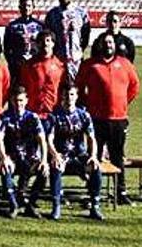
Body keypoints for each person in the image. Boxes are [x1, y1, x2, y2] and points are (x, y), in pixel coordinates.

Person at [76, 33, 140, 205]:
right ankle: (92, 192)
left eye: (110, 42)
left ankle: (121, 192)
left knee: (117, 156)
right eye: (105, 42)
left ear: (115, 45)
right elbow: (79, 86)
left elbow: (135, 86)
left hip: (118, 119)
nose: (108, 45)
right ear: (99, 45)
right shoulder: (90, 65)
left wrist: (123, 102)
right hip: (96, 119)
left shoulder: (125, 64)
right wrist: (87, 103)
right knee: (94, 156)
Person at [44, 85, 104, 221]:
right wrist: (54, 154)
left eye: (71, 95)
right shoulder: (54, 116)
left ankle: (95, 205)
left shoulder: (83, 115)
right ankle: (56, 205)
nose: (68, 98)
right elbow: (49, 139)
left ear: (76, 97)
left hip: (79, 154)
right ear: (61, 97)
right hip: (62, 153)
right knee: (56, 166)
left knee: (95, 167)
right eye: (65, 95)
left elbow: (91, 138)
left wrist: (93, 156)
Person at [0, 86, 49, 219]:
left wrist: (44, 160)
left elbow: (42, 140)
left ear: (26, 101)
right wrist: (3, 157)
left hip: (30, 157)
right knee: (5, 169)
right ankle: (14, 205)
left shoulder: (33, 117)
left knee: (44, 171)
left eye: (21, 100)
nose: (18, 104)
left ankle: (30, 204)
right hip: (12, 157)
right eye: (15, 100)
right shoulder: (4, 117)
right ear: (11, 101)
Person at [45, 0, 91, 84]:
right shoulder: (52, 14)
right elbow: (48, 37)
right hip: (58, 61)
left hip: (76, 61)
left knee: (77, 91)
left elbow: (85, 36)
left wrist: (78, 50)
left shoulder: (81, 13)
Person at [20, 30, 65, 122]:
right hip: (33, 113)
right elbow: (22, 88)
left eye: (48, 40)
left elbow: (63, 90)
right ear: (37, 44)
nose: (45, 43)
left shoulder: (61, 66)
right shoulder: (29, 65)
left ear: (53, 43)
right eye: (41, 41)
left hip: (53, 113)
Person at [3, 0, 44, 84]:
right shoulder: (12, 26)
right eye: (24, 5)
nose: (26, 8)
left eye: (29, 6)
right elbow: (7, 47)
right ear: (20, 7)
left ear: (33, 7)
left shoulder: (40, 26)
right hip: (18, 64)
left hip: (35, 63)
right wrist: (12, 62)